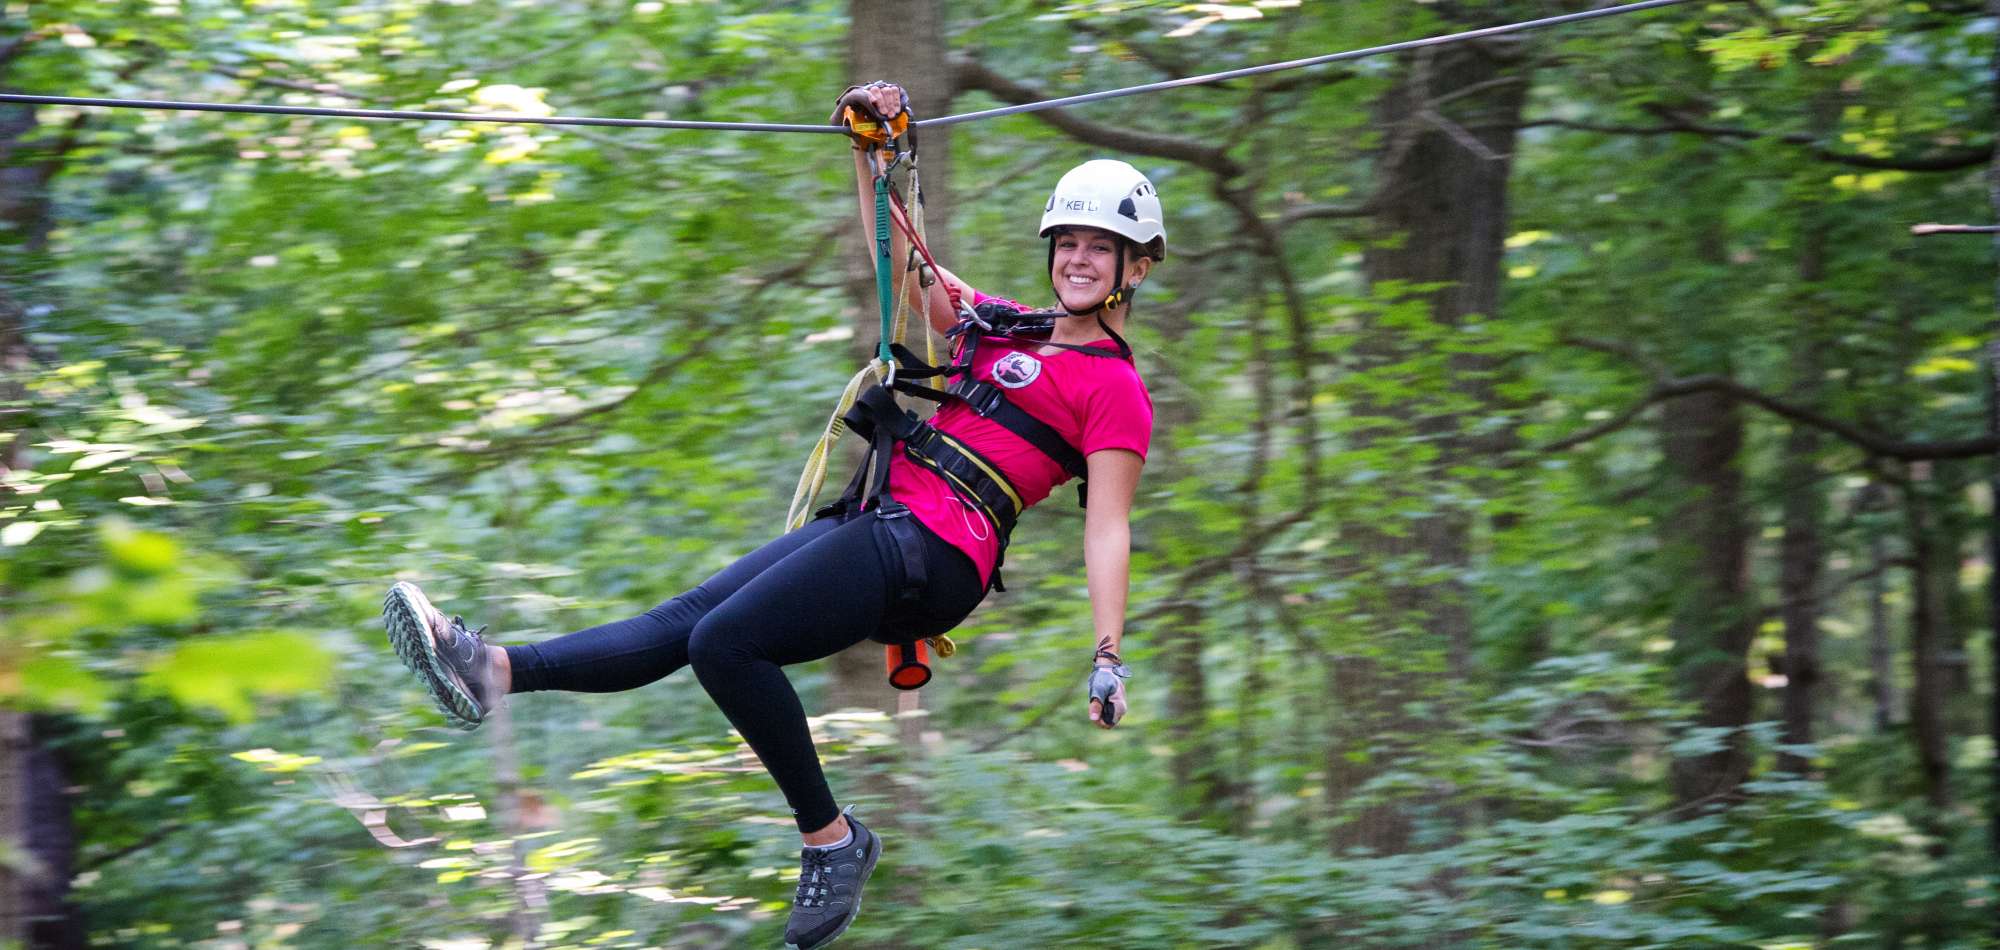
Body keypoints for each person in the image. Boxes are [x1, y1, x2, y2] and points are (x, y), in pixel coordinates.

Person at [379, 81, 1160, 950]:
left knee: (725, 645)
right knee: (692, 621)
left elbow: (1108, 526)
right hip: (885, 514)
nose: (1080, 259)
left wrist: (1107, 654)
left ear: (1138, 266)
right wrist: (871, 155)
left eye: (1104, 247)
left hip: (938, 552)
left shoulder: (1116, 392)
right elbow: (910, 270)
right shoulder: (1003, 325)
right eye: (1070, 242)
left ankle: (832, 841)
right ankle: (491, 670)